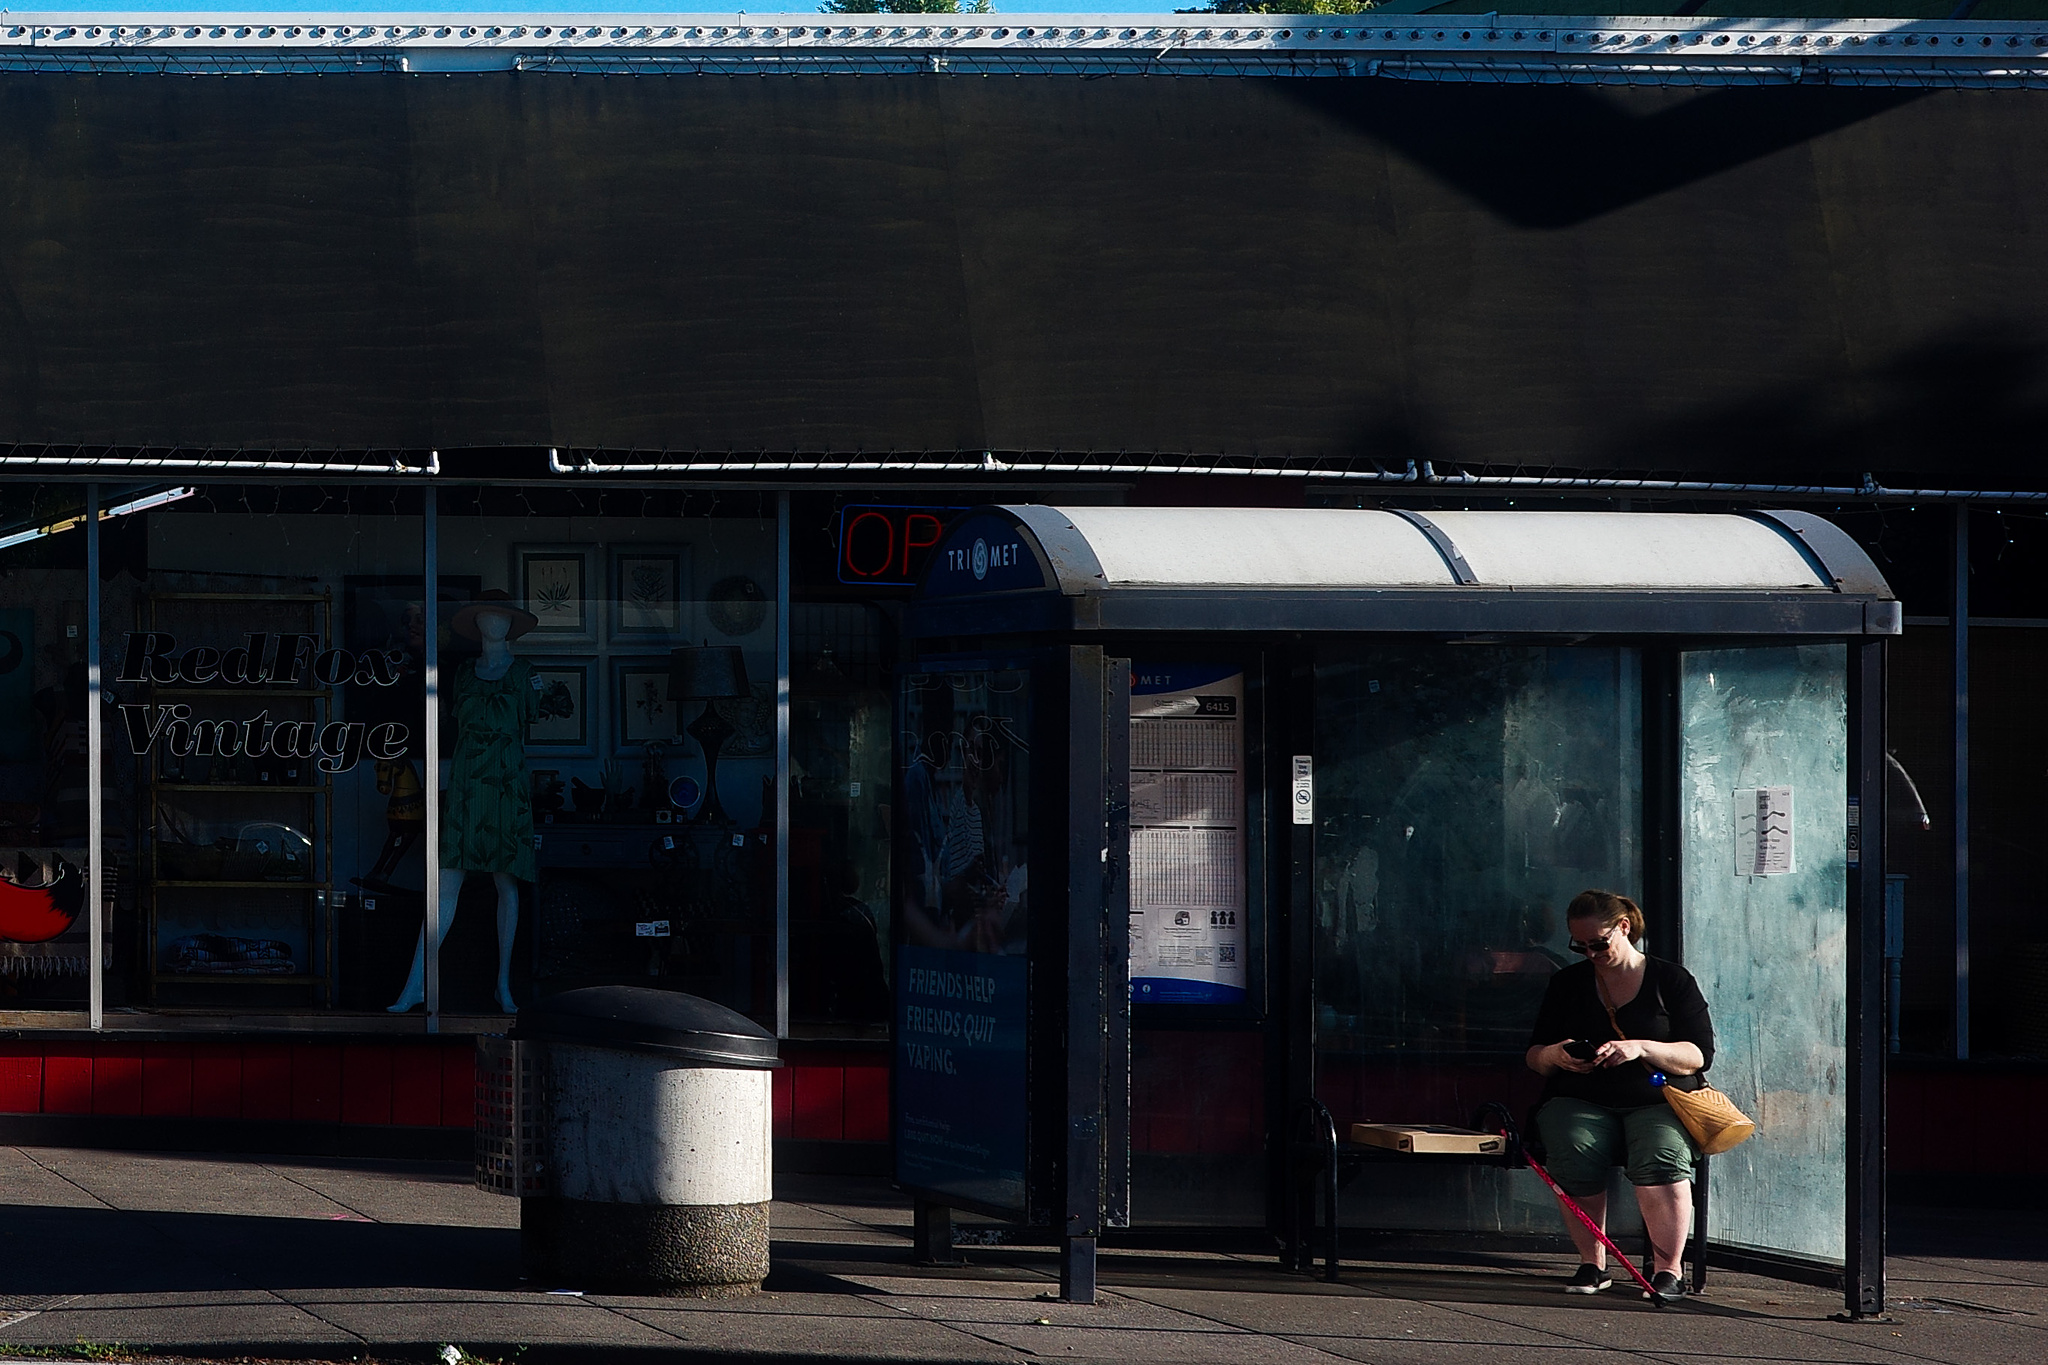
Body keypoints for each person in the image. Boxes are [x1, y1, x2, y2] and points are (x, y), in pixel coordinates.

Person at [1525, 890, 1714, 1303]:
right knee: (1572, 1147)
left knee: (1662, 1153)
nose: (1590, 953)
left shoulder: (1670, 979)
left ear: (1623, 928)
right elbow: (1535, 1056)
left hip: (1657, 1098)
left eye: (1598, 943)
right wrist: (1557, 1055)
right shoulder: (1568, 983)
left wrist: (1640, 1047)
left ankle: (1668, 1270)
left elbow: (1699, 1055)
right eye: (1580, 946)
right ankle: (1593, 1261)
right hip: (1581, 1096)